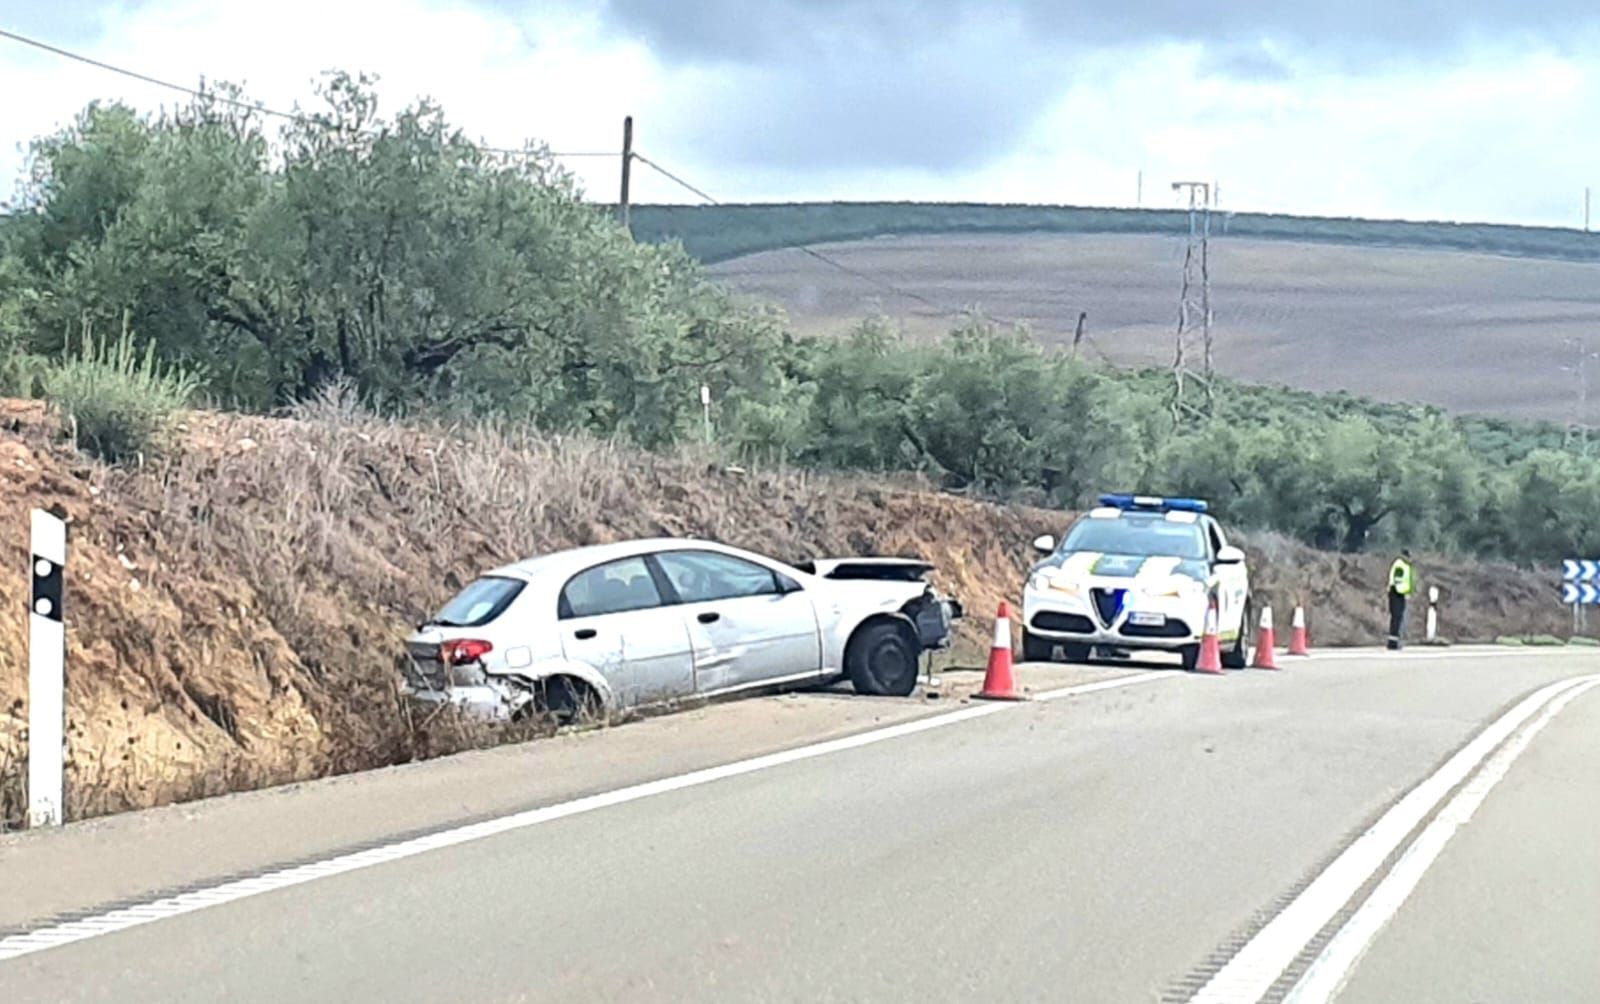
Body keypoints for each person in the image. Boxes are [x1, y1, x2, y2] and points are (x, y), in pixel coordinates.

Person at [1387, 548, 1415, 650]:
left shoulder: (1404, 565)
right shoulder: (1400, 565)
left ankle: (1395, 641)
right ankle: (1393, 643)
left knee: (1398, 618)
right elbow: (1397, 581)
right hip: (1397, 593)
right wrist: (1402, 592)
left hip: (1399, 593)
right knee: (1397, 617)